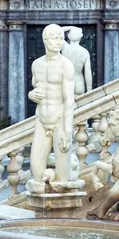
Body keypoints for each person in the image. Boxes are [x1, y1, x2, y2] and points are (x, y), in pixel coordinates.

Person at [28, 24, 76, 183]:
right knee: (36, 170)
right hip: (41, 120)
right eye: (55, 38)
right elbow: (35, 88)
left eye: (61, 38)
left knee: (64, 176)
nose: (59, 42)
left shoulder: (66, 65)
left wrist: (67, 132)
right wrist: (31, 94)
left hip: (59, 121)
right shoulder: (36, 64)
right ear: (45, 39)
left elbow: (69, 101)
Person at [61, 26, 93, 96]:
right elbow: (87, 72)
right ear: (80, 37)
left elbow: (58, 31)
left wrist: (72, 27)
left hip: (67, 80)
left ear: (69, 36)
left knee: (65, 105)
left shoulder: (65, 47)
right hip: (79, 82)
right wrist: (89, 89)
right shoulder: (85, 52)